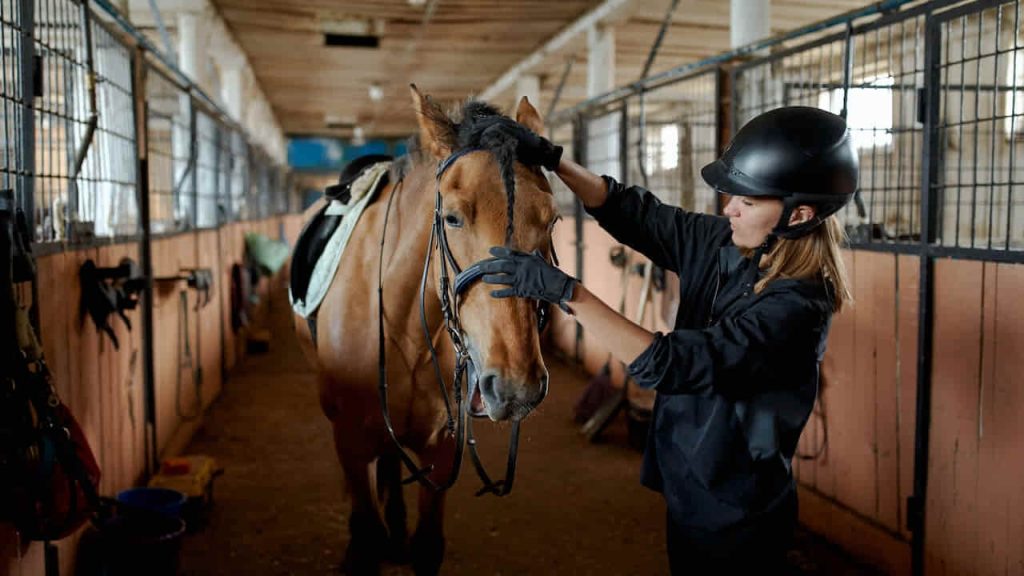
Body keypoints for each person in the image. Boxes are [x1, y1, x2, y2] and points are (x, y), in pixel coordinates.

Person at [478, 106, 857, 575]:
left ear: (799, 214)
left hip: (736, 506)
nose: (728, 208)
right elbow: (637, 215)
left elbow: (672, 363)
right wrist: (555, 160)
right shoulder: (725, 242)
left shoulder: (797, 308)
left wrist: (565, 291)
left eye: (748, 202)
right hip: (689, 477)